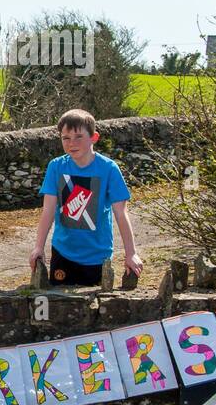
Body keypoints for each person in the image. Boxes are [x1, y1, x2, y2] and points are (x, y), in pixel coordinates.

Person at [30, 109, 143, 286]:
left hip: (98, 256)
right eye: (65, 138)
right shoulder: (56, 167)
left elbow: (121, 214)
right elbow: (48, 210)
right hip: (63, 252)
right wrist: (38, 247)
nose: (71, 143)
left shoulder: (109, 169)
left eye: (78, 137)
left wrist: (131, 253)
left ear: (94, 137)